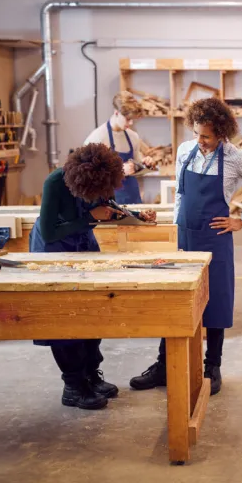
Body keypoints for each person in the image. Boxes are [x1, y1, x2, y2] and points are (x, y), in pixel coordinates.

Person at [130, 97, 242, 396]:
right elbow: (182, 194)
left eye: (206, 136)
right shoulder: (185, 150)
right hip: (185, 236)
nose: (200, 141)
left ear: (221, 133)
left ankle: (212, 365)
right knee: (175, 298)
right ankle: (163, 365)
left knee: (215, 300)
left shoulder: (235, 157)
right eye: (197, 133)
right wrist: (174, 224)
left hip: (214, 239)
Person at [30, 143, 157, 410]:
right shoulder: (55, 182)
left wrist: (133, 216)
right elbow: (50, 231)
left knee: (93, 310)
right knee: (64, 320)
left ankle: (90, 374)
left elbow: (107, 204)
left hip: (82, 242)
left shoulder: (102, 179)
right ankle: (73, 385)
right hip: (54, 248)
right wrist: (90, 216)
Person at [83, 93, 154, 204]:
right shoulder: (98, 138)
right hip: (109, 201)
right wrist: (118, 170)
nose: (130, 123)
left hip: (133, 198)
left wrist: (145, 164)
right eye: (127, 119)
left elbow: (137, 167)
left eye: (133, 119)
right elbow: (86, 174)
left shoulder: (133, 136)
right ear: (116, 113)